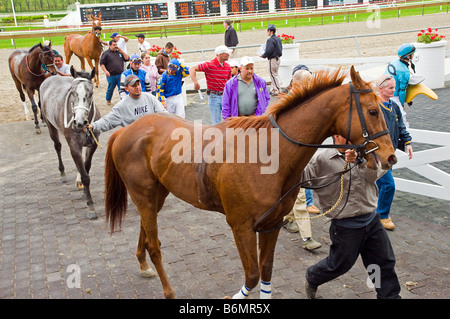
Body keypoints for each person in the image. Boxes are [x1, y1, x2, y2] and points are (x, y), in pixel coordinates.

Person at [303, 135, 401, 299]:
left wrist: (360, 161)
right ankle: (313, 276)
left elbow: (375, 176)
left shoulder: (366, 154)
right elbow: (301, 180)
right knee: (338, 265)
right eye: (343, 135)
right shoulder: (321, 158)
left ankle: (387, 295)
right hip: (345, 225)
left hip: (372, 220)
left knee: (382, 263)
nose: (349, 139)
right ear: (335, 137)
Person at [375, 74, 413, 230]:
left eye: (394, 87)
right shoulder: (375, 108)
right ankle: (382, 215)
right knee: (388, 185)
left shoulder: (394, 106)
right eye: (390, 88)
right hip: (378, 153)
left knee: (378, 184)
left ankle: (372, 213)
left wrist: (408, 142)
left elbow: (401, 126)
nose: (394, 90)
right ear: (380, 89)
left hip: (390, 152)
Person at [87, 74, 166, 133]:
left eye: (138, 84)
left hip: (152, 135)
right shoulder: (122, 106)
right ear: (126, 89)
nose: (137, 87)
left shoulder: (150, 98)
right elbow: (108, 120)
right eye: (133, 86)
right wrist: (93, 126)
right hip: (134, 139)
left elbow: (164, 114)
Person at [189, 45, 232, 125]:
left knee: (229, 120)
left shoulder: (227, 67)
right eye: (227, 53)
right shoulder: (209, 65)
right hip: (214, 96)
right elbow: (192, 69)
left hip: (224, 95)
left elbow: (228, 82)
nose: (229, 55)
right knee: (216, 122)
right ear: (220, 54)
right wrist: (195, 82)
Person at [221, 56, 270, 120]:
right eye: (247, 68)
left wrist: (258, 113)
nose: (250, 71)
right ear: (241, 69)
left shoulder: (260, 82)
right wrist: (227, 120)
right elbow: (225, 103)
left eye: (251, 68)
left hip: (254, 119)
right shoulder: (231, 84)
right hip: (237, 120)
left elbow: (266, 99)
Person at [385, 43, 415, 108]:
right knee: (402, 116)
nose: (413, 55)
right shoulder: (404, 71)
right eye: (412, 54)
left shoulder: (394, 62)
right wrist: (401, 105)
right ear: (408, 56)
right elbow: (402, 92)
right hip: (393, 97)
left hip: (383, 94)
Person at [100, 39, 129, 105]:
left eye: (116, 45)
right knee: (110, 88)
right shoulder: (106, 53)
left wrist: (122, 52)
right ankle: (108, 99)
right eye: (114, 45)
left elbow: (127, 58)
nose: (116, 46)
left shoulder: (119, 52)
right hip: (111, 75)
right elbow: (102, 64)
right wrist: (105, 71)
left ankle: (123, 100)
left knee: (122, 88)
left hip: (120, 74)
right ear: (110, 45)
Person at [260, 24, 283, 96]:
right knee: (274, 73)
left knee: (272, 74)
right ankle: (273, 89)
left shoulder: (270, 40)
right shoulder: (278, 39)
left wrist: (263, 55)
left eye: (268, 31)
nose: (267, 32)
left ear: (270, 31)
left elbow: (269, 50)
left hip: (272, 59)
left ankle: (278, 89)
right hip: (277, 58)